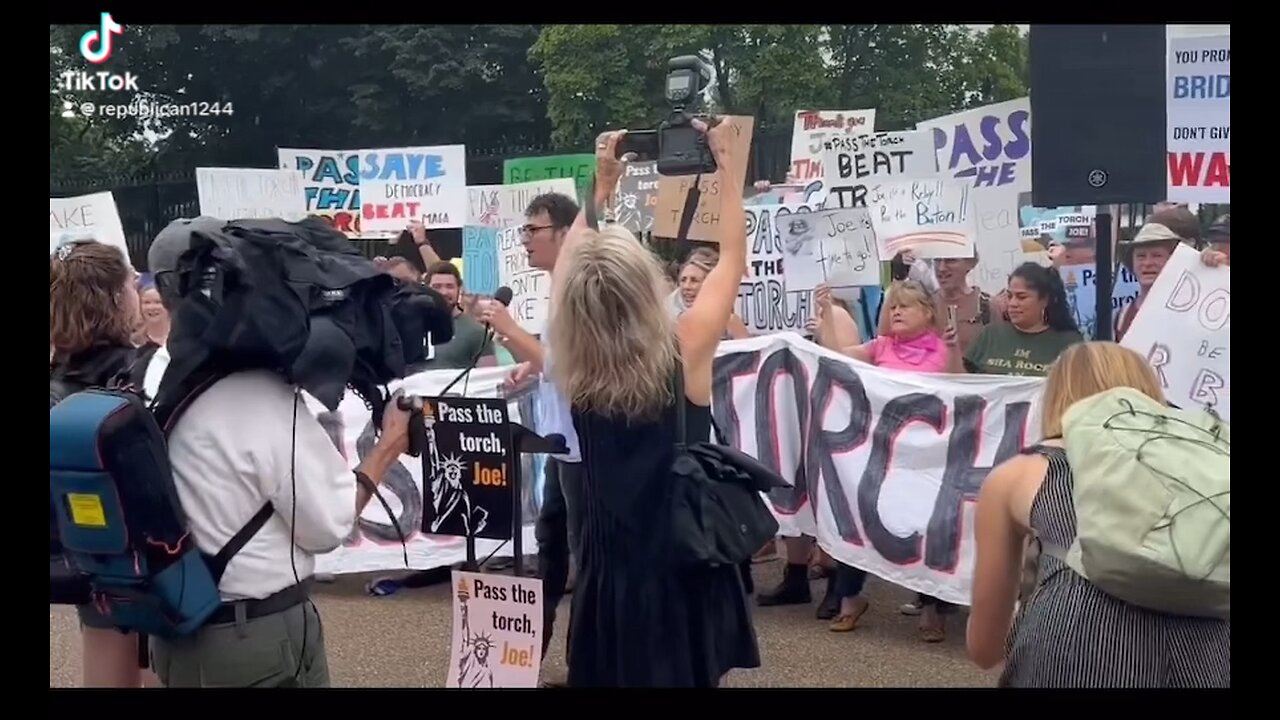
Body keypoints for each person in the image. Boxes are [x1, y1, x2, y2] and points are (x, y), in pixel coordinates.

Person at [143, 222, 413, 687]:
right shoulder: (259, 397)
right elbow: (328, 525)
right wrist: (389, 446)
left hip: (180, 635)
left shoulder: (153, 375)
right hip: (253, 640)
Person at [551, 123, 761, 687]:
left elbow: (572, 265)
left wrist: (602, 184)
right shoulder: (684, 346)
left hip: (607, 574)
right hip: (678, 567)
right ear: (648, 285)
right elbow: (731, 260)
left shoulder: (576, 368)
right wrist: (726, 170)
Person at [968, 342, 1230, 687]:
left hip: (1074, 643)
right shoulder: (1211, 465)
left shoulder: (1019, 474)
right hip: (1210, 646)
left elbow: (986, 647)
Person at [477, 191, 584, 685]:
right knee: (549, 554)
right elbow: (554, 362)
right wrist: (528, 363)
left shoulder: (582, 285)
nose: (525, 240)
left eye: (532, 230)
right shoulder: (557, 291)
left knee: (586, 562)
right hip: (558, 447)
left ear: (563, 232)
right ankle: (525, 664)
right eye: (523, 231)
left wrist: (510, 329)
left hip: (586, 453)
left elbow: (574, 367)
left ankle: (589, 664)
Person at [818, 279, 958, 639]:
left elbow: (964, 390)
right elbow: (835, 354)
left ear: (927, 313)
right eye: (892, 305)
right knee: (861, 516)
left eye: (905, 305)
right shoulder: (880, 347)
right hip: (879, 454)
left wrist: (955, 352)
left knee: (928, 526)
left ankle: (931, 608)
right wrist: (826, 315)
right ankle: (850, 599)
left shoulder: (942, 351)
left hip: (926, 459)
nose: (895, 311)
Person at [50, 240, 156, 688]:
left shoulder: (58, 379)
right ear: (115, 297)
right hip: (153, 561)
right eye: (132, 284)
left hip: (85, 556)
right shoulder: (145, 373)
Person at [951, 262, 1083, 378]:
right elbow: (963, 383)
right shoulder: (990, 335)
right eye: (1010, 296)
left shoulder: (1069, 344)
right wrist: (952, 349)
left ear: (1044, 300)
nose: (1012, 303)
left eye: (1022, 297)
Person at [1114, 206, 1201, 342]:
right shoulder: (1123, 316)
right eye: (1141, 256)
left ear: (1174, 259)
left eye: (1156, 255)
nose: (1147, 263)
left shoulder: (1196, 310)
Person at [420, 261, 494, 370]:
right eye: (437, 287)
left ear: (459, 289)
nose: (443, 292)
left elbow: (489, 376)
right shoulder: (410, 327)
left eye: (450, 286)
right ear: (425, 288)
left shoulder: (476, 332)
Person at [668, 248, 750, 339]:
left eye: (694, 280)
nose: (686, 286)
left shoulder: (729, 322)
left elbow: (749, 351)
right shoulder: (671, 322)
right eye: (683, 280)